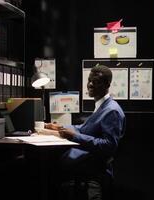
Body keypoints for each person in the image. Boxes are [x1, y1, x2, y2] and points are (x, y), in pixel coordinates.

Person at [45, 65, 126, 200]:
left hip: (94, 172)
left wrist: (75, 136)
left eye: (96, 82)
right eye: (89, 80)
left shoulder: (112, 111)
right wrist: (59, 127)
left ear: (107, 85)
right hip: (87, 168)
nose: (90, 85)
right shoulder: (101, 105)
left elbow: (109, 145)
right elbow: (85, 128)